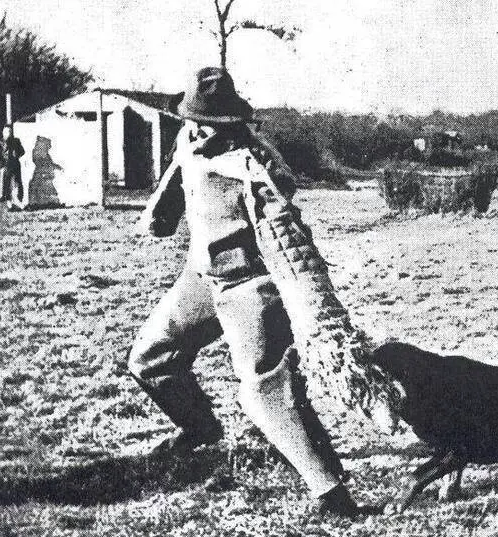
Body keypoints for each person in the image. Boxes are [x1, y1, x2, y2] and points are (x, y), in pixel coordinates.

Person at [129, 67, 362, 516]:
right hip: (201, 279)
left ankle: (333, 494)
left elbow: (287, 227)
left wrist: (312, 300)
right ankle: (201, 430)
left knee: (265, 389)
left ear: (230, 123)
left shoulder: (255, 164)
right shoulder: (188, 138)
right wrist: (159, 215)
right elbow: (178, 175)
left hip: (251, 288)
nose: (197, 129)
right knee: (151, 358)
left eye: (207, 123)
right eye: (193, 120)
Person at [0, 126, 25, 204]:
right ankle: (6, 200)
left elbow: (22, 151)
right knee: (6, 183)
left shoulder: (16, 141)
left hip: (15, 164)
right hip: (5, 165)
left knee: (17, 182)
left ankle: (17, 199)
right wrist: (2, 164)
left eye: (9, 132)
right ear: (3, 132)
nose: (8, 133)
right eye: (6, 132)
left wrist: (16, 156)